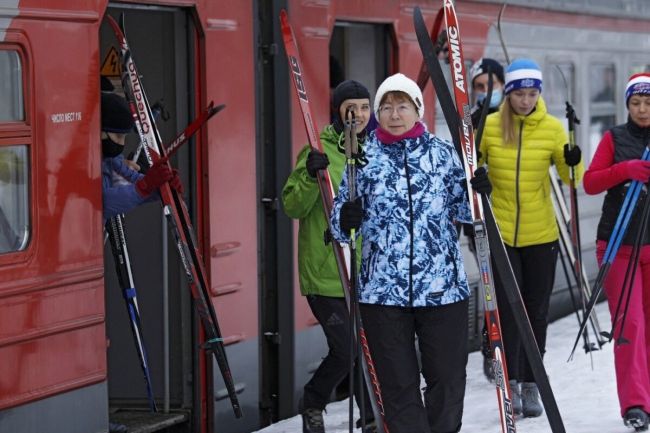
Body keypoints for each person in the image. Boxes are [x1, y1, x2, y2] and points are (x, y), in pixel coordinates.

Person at [329, 73, 491, 433]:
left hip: (442, 289)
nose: (394, 114)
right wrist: (346, 217)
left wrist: (480, 191)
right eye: (386, 106)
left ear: (417, 110)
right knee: (398, 388)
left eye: (402, 106)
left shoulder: (443, 154)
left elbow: (469, 213)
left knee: (447, 383)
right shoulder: (362, 158)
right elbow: (339, 230)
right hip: (382, 295)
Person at [480, 58, 584, 418]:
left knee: (536, 312)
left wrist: (572, 160)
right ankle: (510, 382)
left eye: (532, 93)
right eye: (519, 94)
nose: (526, 100)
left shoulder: (553, 128)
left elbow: (573, 180)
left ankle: (532, 385)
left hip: (542, 235)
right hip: (503, 233)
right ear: (508, 94)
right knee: (510, 311)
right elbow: (470, 166)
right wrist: (477, 177)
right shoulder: (490, 126)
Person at [282, 79, 375, 433]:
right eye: (352, 107)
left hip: (366, 273)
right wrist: (309, 175)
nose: (360, 114)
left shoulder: (377, 149)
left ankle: (370, 414)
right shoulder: (316, 150)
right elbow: (292, 206)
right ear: (338, 109)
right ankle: (313, 401)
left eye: (366, 107)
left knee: (369, 347)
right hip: (325, 272)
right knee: (347, 347)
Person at [583, 73, 650, 432]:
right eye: (635, 102)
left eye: (648, 102)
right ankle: (636, 404)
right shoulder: (615, 137)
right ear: (627, 104)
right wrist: (624, 170)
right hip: (618, 245)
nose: (642, 109)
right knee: (630, 324)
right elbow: (591, 182)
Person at [467, 57, 505, 382]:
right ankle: (490, 345)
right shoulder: (470, 122)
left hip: (512, 215)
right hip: (480, 215)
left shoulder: (512, 119)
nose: (486, 92)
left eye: (491, 86)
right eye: (480, 87)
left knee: (512, 289)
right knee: (491, 287)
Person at [100, 92, 182, 224]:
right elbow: (101, 203)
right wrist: (144, 186)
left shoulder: (111, 158)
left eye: (124, 137)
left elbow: (132, 178)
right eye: (118, 137)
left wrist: (160, 187)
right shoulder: (83, 162)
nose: (122, 144)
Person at [470, 57, 505, 128]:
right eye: (480, 86)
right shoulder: (469, 118)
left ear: (502, 84)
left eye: (491, 84)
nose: (486, 90)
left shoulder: (518, 109)